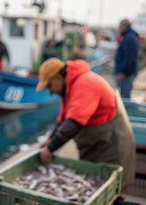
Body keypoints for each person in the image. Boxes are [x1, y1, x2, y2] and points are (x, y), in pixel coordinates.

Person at [36, 58, 135, 192]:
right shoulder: (69, 89)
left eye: (49, 86)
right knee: (91, 184)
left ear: (58, 77)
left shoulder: (84, 83)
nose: (50, 91)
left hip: (111, 142)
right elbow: (63, 119)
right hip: (96, 142)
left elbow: (73, 124)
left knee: (111, 187)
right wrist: (50, 138)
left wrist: (50, 149)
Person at [114, 19, 140, 98]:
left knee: (124, 97)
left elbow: (129, 58)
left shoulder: (129, 38)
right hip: (127, 72)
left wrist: (123, 72)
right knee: (122, 94)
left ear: (124, 26)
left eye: (119, 27)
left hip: (126, 74)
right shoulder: (129, 37)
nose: (119, 29)